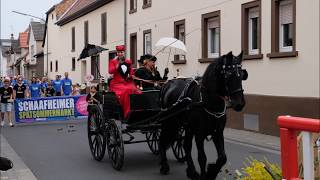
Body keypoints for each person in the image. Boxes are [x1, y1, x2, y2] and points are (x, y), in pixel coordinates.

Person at [108, 45, 141, 118]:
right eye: (119, 52)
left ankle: (137, 111)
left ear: (124, 53)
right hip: (117, 83)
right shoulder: (113, 61)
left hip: (127, 82)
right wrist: (117, 65)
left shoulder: (128, 61)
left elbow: (131, 72)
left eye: (121, 52)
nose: (120, 54)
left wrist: (131, 75)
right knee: (126, 91)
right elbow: (110, 71)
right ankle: (127, 113)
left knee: (137, 91)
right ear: (117, 53)